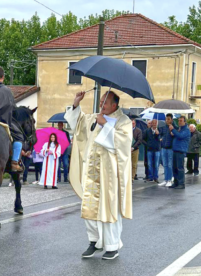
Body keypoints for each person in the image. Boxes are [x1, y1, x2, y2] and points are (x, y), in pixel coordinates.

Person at [65, 91, 133, 260]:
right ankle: (94, 242)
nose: (101, 105)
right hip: (92, 173)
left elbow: (123, 144)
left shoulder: (123, 121)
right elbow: (79, 124)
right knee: (89, 206)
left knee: (109, 209)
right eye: (101, 101)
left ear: (114, 105)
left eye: (105, 102)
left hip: (109, 175)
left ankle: (112, 246)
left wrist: (107, 125)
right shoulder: (96, 117)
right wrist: (76, 103)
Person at [169, 117, 190, 189]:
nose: (179, 122)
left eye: (181, 121)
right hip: (175, 150)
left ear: (185, 122)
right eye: (178, 121)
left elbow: (180, 136)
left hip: (180, 151)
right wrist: (172, 122)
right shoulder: (180, 129)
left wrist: (173, 130)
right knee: (174, 167)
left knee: (179, 168)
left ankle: (181, 183)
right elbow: (176, 130)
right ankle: (176, 182)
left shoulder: (186, 130)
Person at [158, 114, 175, 187]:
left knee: (170, 165)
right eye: (166, 119)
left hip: (170, 148)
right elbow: (160, 134)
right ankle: (165, 180)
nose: (167, 120)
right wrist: (159, 137)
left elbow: (176, 136)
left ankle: (170, 180)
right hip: (164, 148)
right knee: (165, 164)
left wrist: (173, 132)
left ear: (172, 120)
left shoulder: (174, 127)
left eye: (168, 119)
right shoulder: (163, 127)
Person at [142, 119, 161, 183]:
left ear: (157, 124)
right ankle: (150, 177)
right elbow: (142, 139)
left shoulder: (159, 130)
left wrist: (157, 134)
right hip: (149, 149)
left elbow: (160, 140)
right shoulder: (147, 131)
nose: (154, 124)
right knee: (150, 164)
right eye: (153, 123)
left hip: (157, 149)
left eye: (155, 123)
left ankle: (156, 177)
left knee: (156, 164)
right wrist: (147, 145)